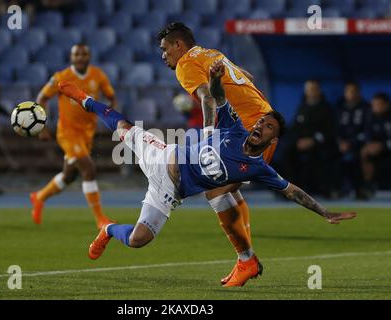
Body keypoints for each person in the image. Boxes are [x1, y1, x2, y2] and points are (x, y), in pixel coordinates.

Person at [56, 60, 356, 287]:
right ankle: (83, 99)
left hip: (169, 193)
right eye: (261, 121)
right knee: (121, 128)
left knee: (138, 239)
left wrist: (324, 211)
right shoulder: (234, 128)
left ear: (272, 140)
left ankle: (107, 228)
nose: (260, 126)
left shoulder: (257, 167)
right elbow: (218, 98)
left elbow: (291, 190)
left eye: (268, 127)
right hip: (162, 156)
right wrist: (214, 79)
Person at [157, 22, 272, 285]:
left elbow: (208, 98)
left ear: (178, 45)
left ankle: (246, 260)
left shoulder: (186, 64)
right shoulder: (212, 53)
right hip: (264, 122)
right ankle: (247, 259)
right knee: (228, 189)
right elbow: (248, 77)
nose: (163, 55)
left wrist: (210, 137)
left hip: (249, 130)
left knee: (215, 190)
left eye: (165, 49)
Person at [31, 44, 116, 228]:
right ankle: (100, 219)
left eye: (84, 54)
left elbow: (111, 97)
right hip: (68, 134)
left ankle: (39, 197)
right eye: (76, 54)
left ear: (89, 56)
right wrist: (42, 126)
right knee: (88, 169)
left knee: (69, 176)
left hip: (87, 134)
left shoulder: (98, 76)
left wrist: (111, 117)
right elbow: (42, 98)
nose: (80, 57)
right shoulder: (61, 77)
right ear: (71, 57)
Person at [284, 79, 339, 198]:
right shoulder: (302, 107)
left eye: (313, 89)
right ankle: (291, 189)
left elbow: (330, 131)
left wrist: (314, 140)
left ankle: (323, 189)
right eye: (308, 89)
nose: (311, 92)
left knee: (319, 156)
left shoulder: (327, 109)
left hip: (320, 144)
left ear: (319, 91)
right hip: (301, 143)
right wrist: (297, 141)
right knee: (286, 152)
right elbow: (294, 128)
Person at [335, 81, 369, 198]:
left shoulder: (366, 108)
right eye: (349, 91)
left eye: (354, 91)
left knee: (358, 156)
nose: (351, 94)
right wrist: (340, 142)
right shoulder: (339, 107)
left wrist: (351, 142)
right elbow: (335, 128)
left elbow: (367, 130)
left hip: (358, 143)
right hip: (340, 144)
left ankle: (360, 189)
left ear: (359, 93)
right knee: (330, 155)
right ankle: (336, 189)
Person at [360, 93, 391, 198]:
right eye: (374, 104)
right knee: (364, 152)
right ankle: (368, 187)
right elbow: (367, 137)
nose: (376, 107)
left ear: (386, 105)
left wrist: (383, 145)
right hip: (377, 152)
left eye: (379, 104)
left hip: (387, 148)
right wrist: (370, 146)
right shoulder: (370, 117)